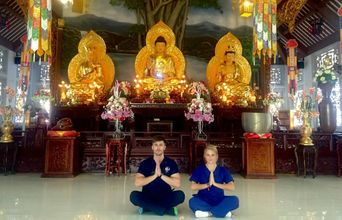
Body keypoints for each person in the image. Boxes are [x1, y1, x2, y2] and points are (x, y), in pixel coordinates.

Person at [130, 135, 185, 216]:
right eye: (156, 145)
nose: (158, 147)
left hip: (165, 196)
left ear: (164, 147)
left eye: (160, 145)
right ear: (152, 147)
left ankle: (148, 207)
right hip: (148, 196)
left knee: (180, 195)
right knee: (133, 196)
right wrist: (154, 176)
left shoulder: (171, 163)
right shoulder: (145, 163)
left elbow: (177, 184)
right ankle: (165, 209)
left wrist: (161, 176)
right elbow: (137, 183)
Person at [189, 145, 239, 218]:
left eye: (213, 155)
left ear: (217, 156)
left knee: (235, 200)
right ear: (204, 156)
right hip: (203, 200)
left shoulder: (223, 170)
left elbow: (232, 187)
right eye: (208, 155)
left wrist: (215, 184)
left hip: (219, 200)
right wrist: (207, 184)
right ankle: (221, 212)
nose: (210, 158)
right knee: (192, 202)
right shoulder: (199, 169)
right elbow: (193, 187)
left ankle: (208, 213)